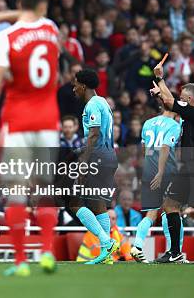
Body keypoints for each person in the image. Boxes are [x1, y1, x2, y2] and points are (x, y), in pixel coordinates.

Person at [0, 0, 60, 277]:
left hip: (18, 120)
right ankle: (47, 252)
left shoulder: (6, 38)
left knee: (16, 192)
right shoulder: (52, 30)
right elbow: (31, 15)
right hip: (49, 120)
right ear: (43, 4)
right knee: (46, 189)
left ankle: (22, 262)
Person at [151, 57, 194, 264]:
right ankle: (176, 252)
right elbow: (171, 104)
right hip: (190, 167)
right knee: (171, 204)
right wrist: (161, 91)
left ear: (189, 99)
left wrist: (160, 80)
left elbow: (171, 103)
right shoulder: (193, 115)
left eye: (183, 97)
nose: (180, 99)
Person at [70, 69, 119, 264]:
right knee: (98, 204)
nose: (74, 89)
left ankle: (106, 242)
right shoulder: (103, 102)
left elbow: (94, 134)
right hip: (108, 156)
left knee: (73, 202)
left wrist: (83, 161)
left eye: (75, 85)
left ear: (83, 85)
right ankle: (107, 254)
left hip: (97, 158)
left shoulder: (92, 105)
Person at [130, 101, 182, 263]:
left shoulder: (147, 123)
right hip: (167, 172)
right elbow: (167, 147)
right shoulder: (174, 125)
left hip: (149, 171)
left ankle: (137, 245)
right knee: (173, 211)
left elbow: (146, 150)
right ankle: (174, 251)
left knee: (152, 212)